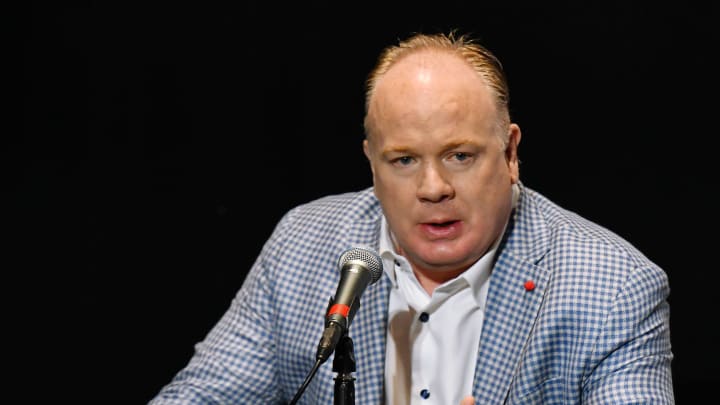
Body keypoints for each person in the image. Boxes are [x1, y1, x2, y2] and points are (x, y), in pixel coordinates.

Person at [148, 31, 674, 404]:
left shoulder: (612, 287)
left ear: (511, 154)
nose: (433, 188)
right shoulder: (302, 244)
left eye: (460, 156)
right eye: (403, 160)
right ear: (372, 165)